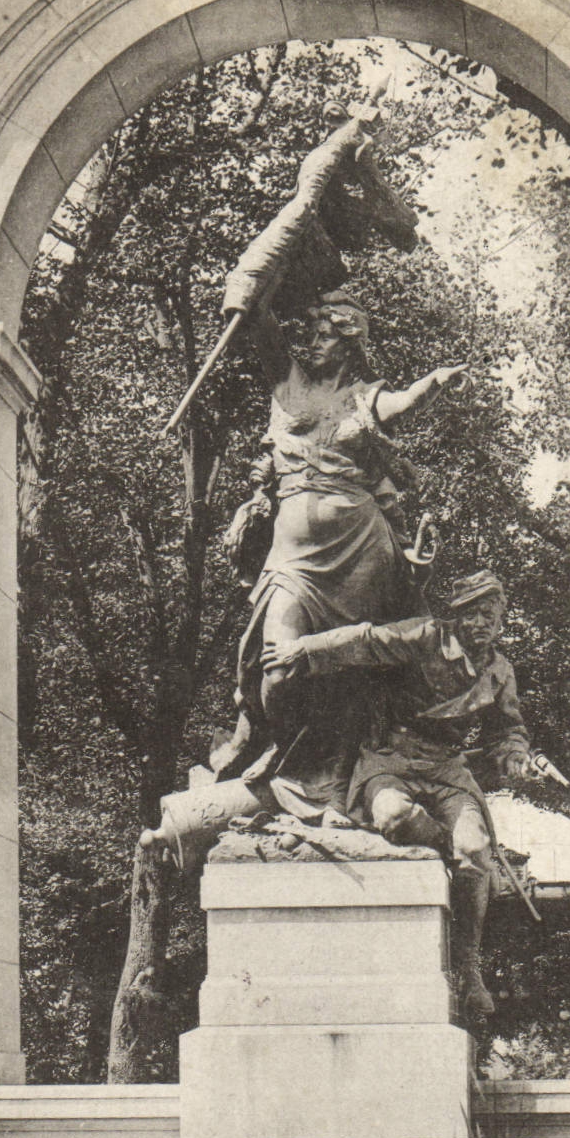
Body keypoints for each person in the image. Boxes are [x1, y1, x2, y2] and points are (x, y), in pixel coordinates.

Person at [211, 287, 466, 814]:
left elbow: (402, 404)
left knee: (351, 670)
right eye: (309, 333)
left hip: (359, 552)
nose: (313, 342)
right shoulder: (287, 385)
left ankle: (333, 778)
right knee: (274, 673)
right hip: (293, 559)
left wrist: (435, 382)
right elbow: (255, 313)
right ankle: (280, 749)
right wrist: (282, 246)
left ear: (349, 343)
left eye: (325, 334)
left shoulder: (366, 397)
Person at [260, 570, 530, 1019]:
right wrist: (302, 650)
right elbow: (365, 641)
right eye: (473, 613)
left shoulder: (500, 672)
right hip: (390, 757)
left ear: (501, 619)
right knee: (394, 818)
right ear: (456, 616)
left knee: (478, 848)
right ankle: (449, 853)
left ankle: (468, 964)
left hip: (446, 768)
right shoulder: (426, 637)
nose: (483, 622)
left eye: (491, 614)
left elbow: (510, 728)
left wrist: (515, 754)